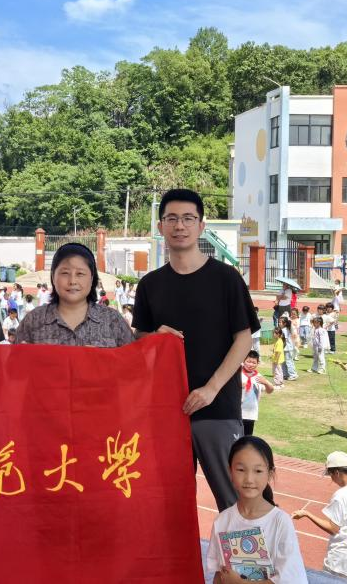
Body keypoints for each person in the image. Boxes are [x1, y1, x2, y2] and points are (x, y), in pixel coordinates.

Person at [132, 189, 259, 511]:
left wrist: (211, 389)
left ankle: (243, 550)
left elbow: (244, 338)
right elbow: (140, 339)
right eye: (172, 219)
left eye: (188, 218)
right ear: (160, 226)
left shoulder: (226, 279)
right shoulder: (150, 285)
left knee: (235, 501)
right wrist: (153, 337)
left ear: (201, 226)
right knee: (170, 501)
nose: (180, 226)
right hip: (166, 410)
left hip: (217, 408)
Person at [203, 436, 307, 583]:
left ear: (270, 474)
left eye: (258, 471)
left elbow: (292, 579)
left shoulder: (280, 522)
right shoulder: (222, 520)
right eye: (241, 469)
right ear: (230, 471)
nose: (249, 479)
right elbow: (219, 576)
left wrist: (241, 583)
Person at [15, 244, 133, 349]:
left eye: (80, 274)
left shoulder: (113, 320)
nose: (72, 281)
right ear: (53, 277)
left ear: (92, 278)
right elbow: (13, 363)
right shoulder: (33, 320)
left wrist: (103, 360)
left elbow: (134, 362)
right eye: (65, 273)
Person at [292, 451, 347, 583]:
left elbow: (333, 528)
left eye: (330, 474)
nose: (331, 479)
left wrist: (307, 514)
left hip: (345, 561)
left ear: (337, 473)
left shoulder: (341, 495)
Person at [239, 351, 276, 436]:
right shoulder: (238, 374)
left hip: (251, 414)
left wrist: (266, 383)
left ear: (257, 363)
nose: (250, 365)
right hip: (237, 412)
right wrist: (237, 386)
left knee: (247, 437)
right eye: (248, 361)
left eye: (254, 363)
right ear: (243, 361)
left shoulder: (259, 377)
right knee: (235, 437)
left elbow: (270, 391)